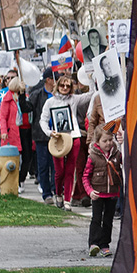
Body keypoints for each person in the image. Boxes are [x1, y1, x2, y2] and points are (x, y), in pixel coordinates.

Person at [39, 73, 84, 209]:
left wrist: (93, 79)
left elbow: (90, 96)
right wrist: (49, 132)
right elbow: (43, 120)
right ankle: (58, 193)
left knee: (70, 170)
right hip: (57, 138)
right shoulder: (50, 102)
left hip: (73, 137)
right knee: (59, 171)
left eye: (67, 86)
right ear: (57, 86)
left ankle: (67, 200)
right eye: (62, 85)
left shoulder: (74, 99)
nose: (64, 88)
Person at [83, 119, 123, 258]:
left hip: (112, 194)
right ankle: (94, 243)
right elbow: (85, 176)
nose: (108, 143)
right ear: (98, 142)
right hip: (98, 194)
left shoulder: (117, 154)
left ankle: (105, 245)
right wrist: (90, 191)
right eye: (105, 141)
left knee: (108, 220)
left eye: (110, 140)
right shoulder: (93, 156)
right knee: (96, 219)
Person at [28, 68, 56, 203]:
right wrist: (22, 94)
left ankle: (56, 189)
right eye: (54, 78)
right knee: (43, 165)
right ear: (48, 80)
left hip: (57, 136)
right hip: (41, 136)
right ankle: (46, 193)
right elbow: (27, 107)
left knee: (56, 166)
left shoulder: (59, 94)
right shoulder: (37, 95)